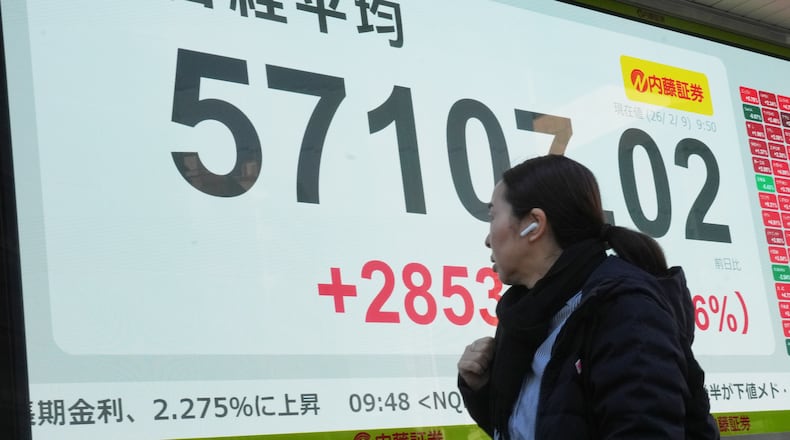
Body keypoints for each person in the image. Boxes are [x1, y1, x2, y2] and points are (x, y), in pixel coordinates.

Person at [457, 154, 719, 439]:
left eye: (493, 215)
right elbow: (544, 422)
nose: (487, 239)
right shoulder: (529, 314)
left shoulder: (625, 309)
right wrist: (482, 389)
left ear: (533, 224)